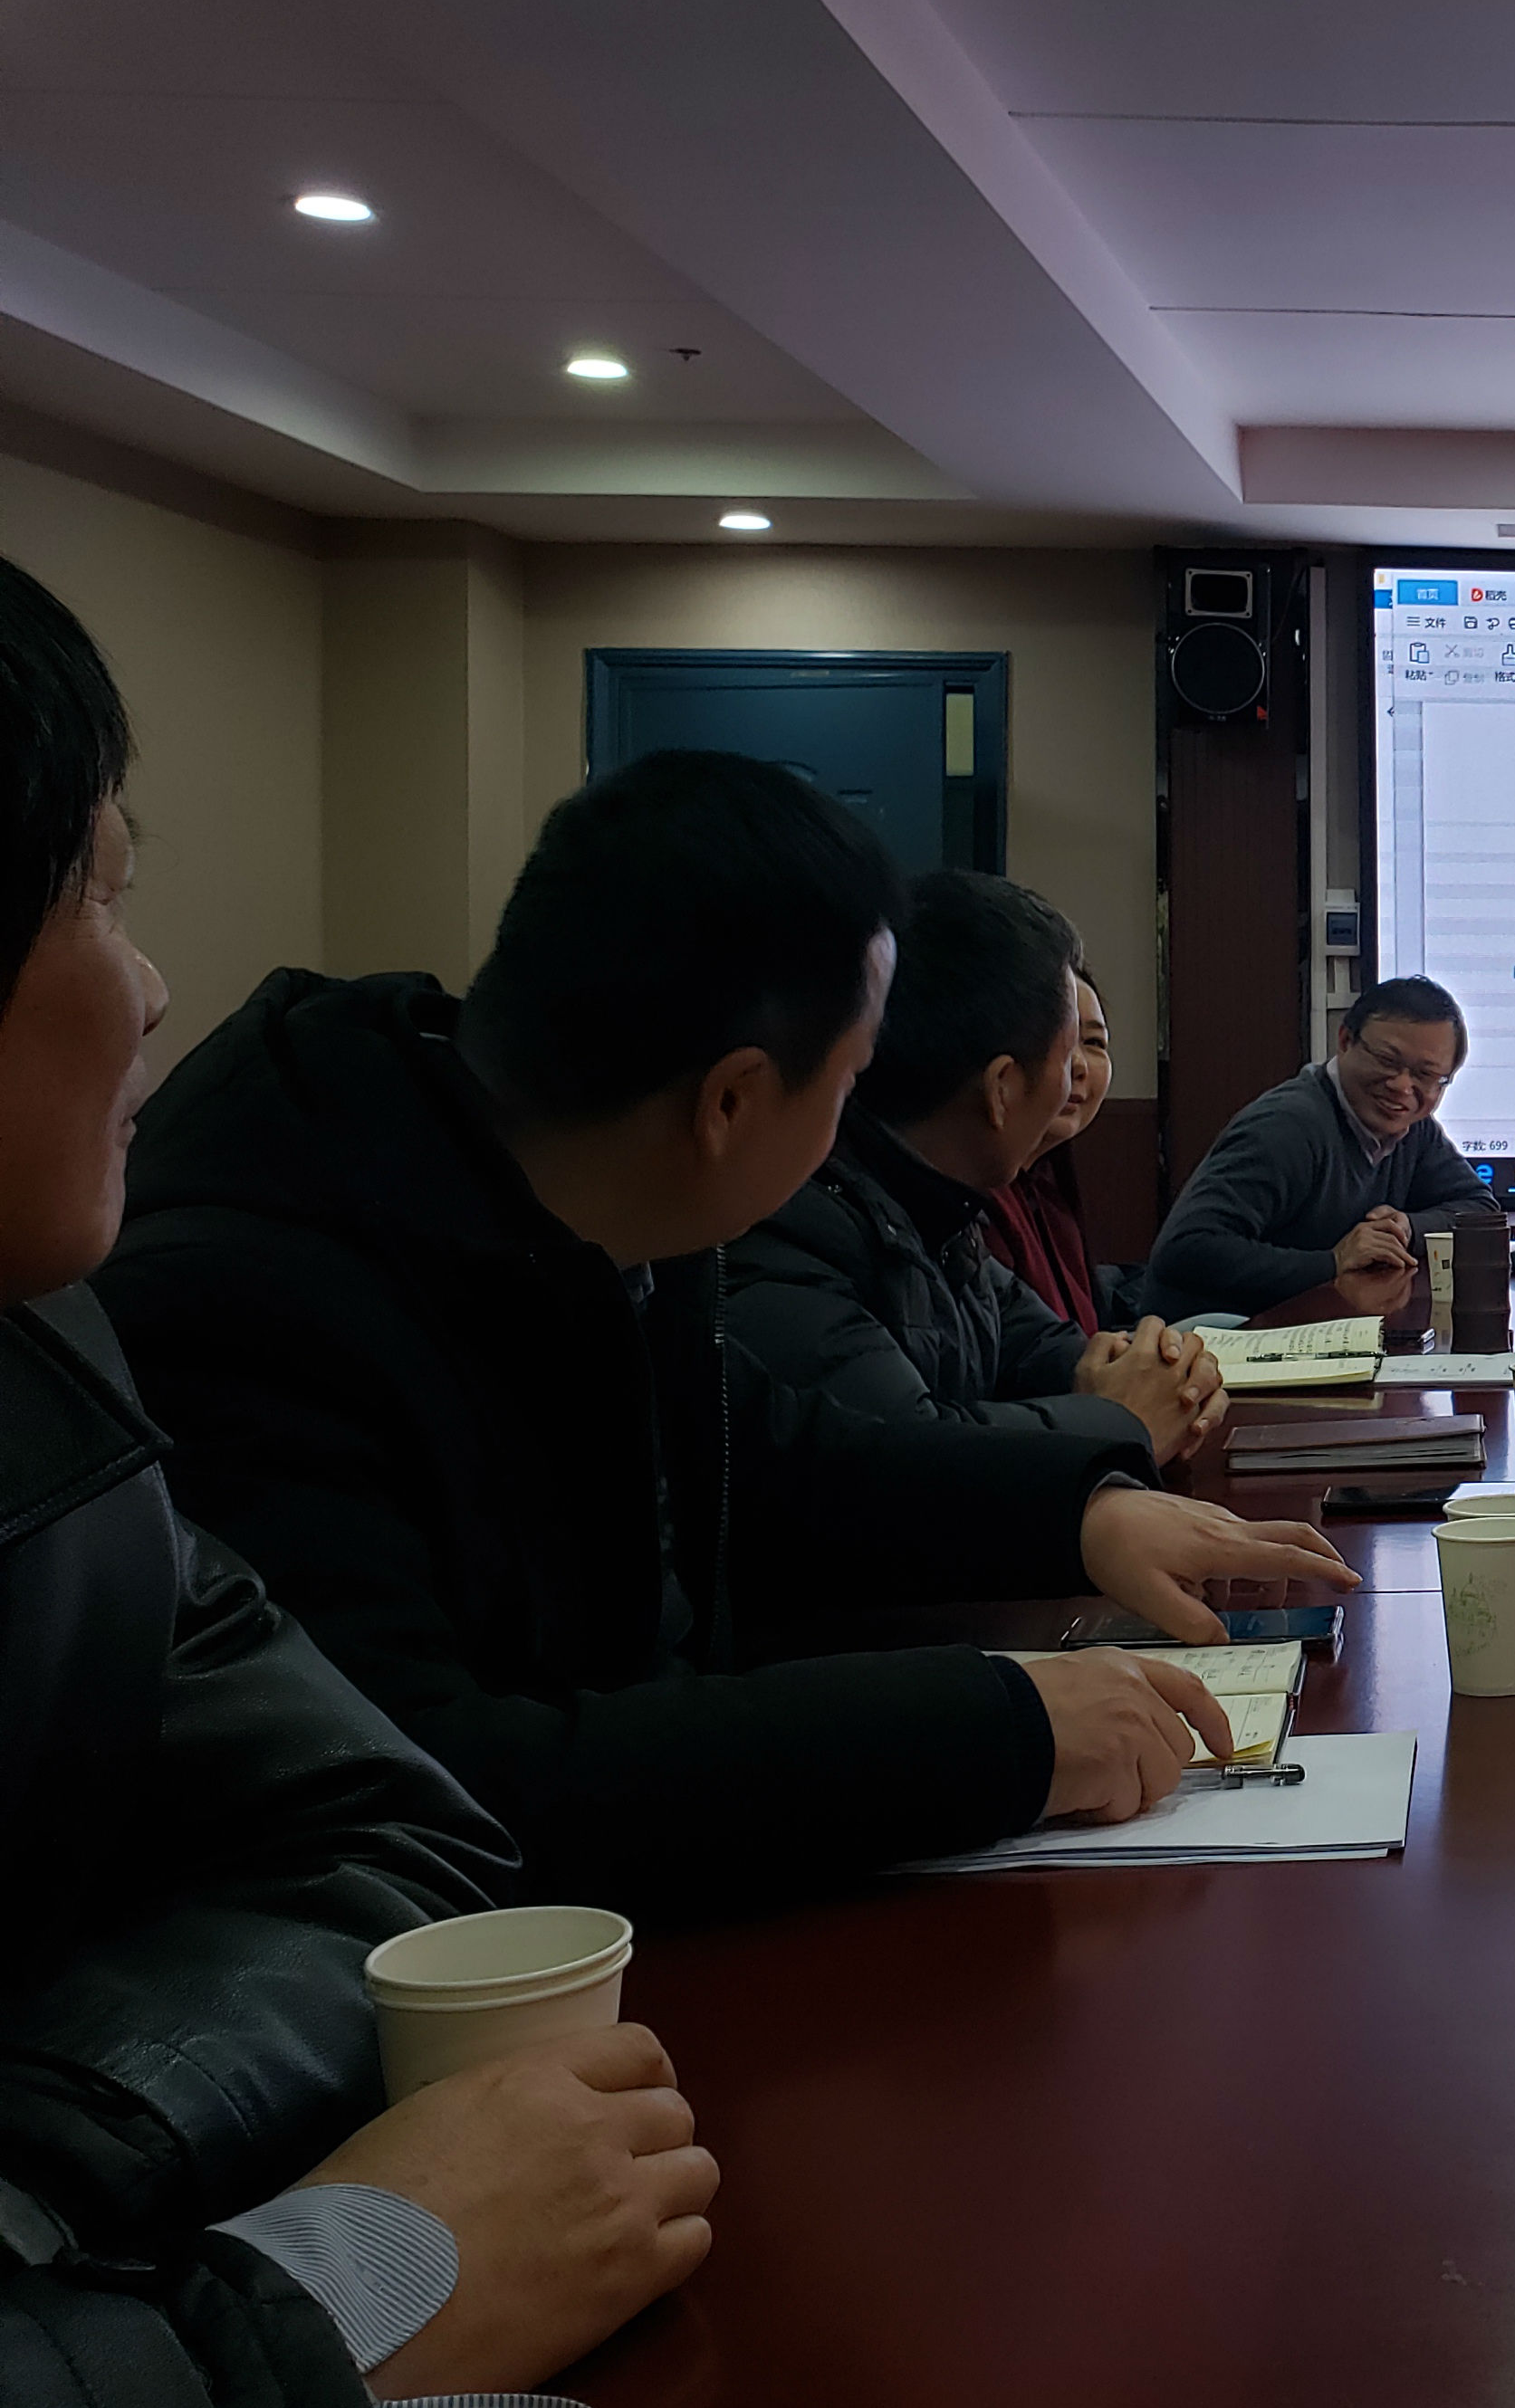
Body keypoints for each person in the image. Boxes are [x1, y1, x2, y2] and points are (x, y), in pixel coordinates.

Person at [97, 751, 1354, 1918]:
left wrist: (1082, 1509)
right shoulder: (258, 1296)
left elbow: (778, 1451)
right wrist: (998, 1730)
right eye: (850, 1082)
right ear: (732, 1101)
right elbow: (434, 1775)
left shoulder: (578, 1199)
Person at [0, 556, 712, 2408]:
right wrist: (304, 2303)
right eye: (97, 895)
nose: (149, 984)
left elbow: (394, 1828)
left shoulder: (51, 1361)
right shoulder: (243, 1285)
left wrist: (46, 2199)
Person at [726, 872, 1217, 1457]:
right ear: (1002, 1088)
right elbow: (912, 1456)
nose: (1077, 1081)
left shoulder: (944, 1214)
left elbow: (1045, 1349)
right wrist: (1122, 1421)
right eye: (1069, 1055)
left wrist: (1159, 1378)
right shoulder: (795, 1227)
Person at [1143, 974, 1501, 1321]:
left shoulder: (1414, 1128)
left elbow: (1481, 1211)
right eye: (1387, 1061)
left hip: (1316, 1328)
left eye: (1425, 1075)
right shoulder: (1288, 1126)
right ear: (1344, 1040)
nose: (1402, 1086)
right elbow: (1185, 1250)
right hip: (1213, 1336)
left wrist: (1407, 1227)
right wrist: (1333, 1262)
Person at [985, 966, 1112, 1332]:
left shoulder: (1049, 1187)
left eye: (1094, 1043)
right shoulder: (972, 1200)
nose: (1078, 1066)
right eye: (1059, 1040)